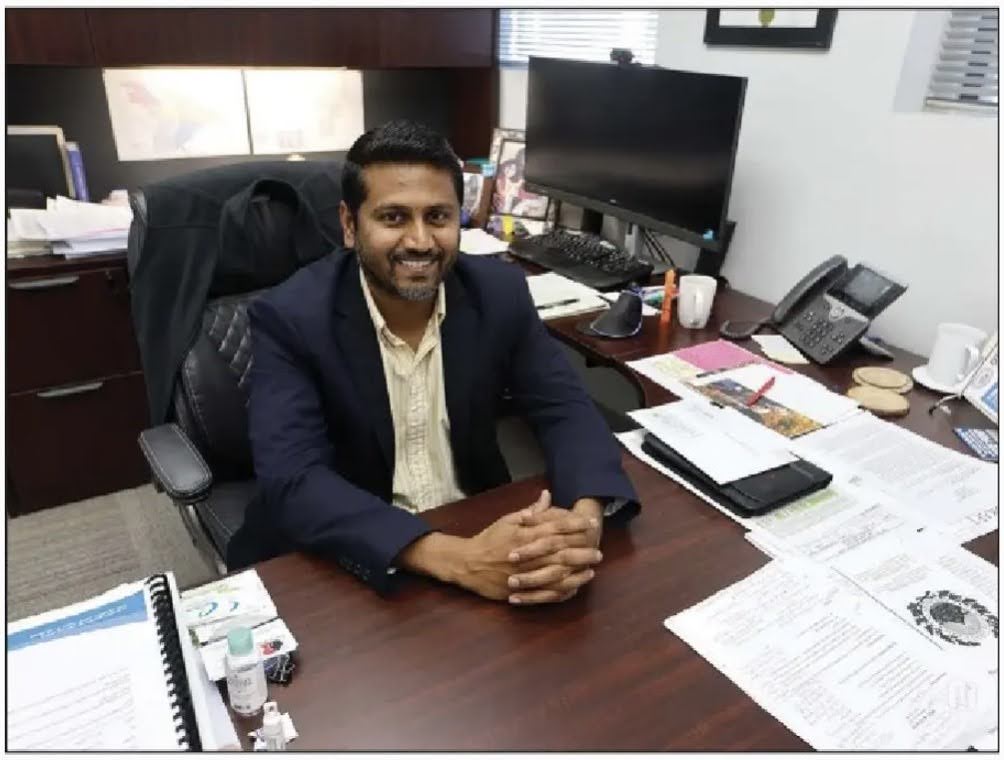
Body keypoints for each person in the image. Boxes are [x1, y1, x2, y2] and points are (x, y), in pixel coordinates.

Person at [228, 120, 639, 605]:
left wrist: (582, 521)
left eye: (438, 217)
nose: (421, 241)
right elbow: (294, 480)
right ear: (348, 224)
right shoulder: (291, 317)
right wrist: (455, 559)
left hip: (475, 525)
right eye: (394, 218)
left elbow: (563, 407)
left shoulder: (499, 292)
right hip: (349, 555)